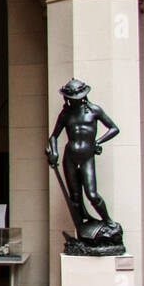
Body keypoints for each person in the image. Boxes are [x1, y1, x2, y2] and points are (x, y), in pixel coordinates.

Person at [46, 78, 119, 228]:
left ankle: (108, 221)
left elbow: (114, 128)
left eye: (76, 99)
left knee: (92, 194)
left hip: (87, 156)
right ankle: (83, 225)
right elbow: (54, 136)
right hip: (70, 156)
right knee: (75, 196)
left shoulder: (94, 110)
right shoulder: (65, 114)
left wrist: (98, 141)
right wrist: (54, 153)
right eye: (70, 99)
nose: (73, 102)